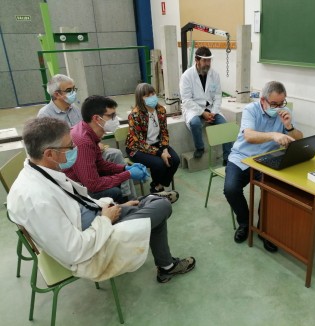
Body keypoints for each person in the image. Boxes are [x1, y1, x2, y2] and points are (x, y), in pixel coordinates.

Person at [7, 117, 195, 283]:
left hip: (94, 218)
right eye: (70, 147)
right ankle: (165, 262)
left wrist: (114, 206)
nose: (74, 150)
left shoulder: (42, 171)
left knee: (154, 206)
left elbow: (77, 200)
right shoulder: (37, 200)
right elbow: (74, 251)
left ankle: (165, 261)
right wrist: (105, 219)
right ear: (49, 153)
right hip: (91, 247)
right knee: (161, 207)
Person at [223, 81, 303, 252]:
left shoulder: (285, 112)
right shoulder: (251, 110)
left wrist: (289, 127)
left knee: (272, 190)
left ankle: (264, 229)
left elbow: (299, 138)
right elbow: (250, 136)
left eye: (282, 103)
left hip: (267, 159)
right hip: (242, 157)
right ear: (262, 100)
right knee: (231, 189)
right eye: (274, 104)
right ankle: (245, 223)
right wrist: (274, 135)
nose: (279, 107)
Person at [38, 74, 137, 199]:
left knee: (115, 154)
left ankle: (128, 197)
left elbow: (87, 129)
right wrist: (127, 174)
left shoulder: (74, 109)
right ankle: (124, 199)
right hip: (65, 161)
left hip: (84, 150)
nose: (73, 93)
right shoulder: (45, 115)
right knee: (108, 186)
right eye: (69, 90)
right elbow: (48, 151)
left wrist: (125, 168)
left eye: (74, 89)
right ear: (57, 94)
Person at [63, 95, 153, 203]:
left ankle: (130, 204)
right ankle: (128, 208)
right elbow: (93, 185)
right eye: (111, 115)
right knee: (115, 192)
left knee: (117, 179)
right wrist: (128, 174)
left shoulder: (88, 132)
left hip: (84, 181)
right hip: (75, 190)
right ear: (96, 118)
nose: (115, 119)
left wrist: (125, 168)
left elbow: (100, 164)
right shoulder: (83, 142)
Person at [179, 46, 232, 163]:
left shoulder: (214, 75)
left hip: (211, 108)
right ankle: (200, 147)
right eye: (204, 61)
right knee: (195, 123)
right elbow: (186, 100)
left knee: (225, 126)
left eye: (209, 60)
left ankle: (227, 158)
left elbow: (218, 96)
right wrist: (202, 113)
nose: (207, 64)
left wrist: (213, 112)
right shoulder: (187, 76)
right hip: (194, 109)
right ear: (197, 60)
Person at [126, 83, 180, 194]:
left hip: (156, 144)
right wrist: (161, 154)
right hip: (136, 148)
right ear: (140, 98)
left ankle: (158, 186)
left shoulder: (160, 110)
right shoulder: (135, 115)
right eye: (147, 95)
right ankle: (157, 190)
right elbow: (139, 143)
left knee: (175, 160)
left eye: (153, 93)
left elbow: (164, 131)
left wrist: (164, 149)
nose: (152, 97)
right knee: (159, 163)